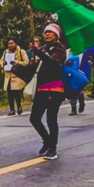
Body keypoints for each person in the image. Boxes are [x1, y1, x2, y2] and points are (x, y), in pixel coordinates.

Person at [29, 24, 67, 160]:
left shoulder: (60, 49)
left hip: (55, 88)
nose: (47, 34)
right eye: (45, 32)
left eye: (50, 32)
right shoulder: (43, 49)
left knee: (51, 118)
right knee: (34, 118)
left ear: (56, 35)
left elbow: (53, 63)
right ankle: (47, 140)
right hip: (41, 88)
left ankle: (53, 149)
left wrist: (39, 52)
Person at [2, 38, 29, 116]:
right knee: (9, 93)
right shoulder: (5, 52)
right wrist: (4, 63)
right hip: (8, 76)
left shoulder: (21, 52)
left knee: (17, 92)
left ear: (16, 43)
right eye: (9, 43)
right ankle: (12, 109)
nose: (10, 45)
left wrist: (16, 62)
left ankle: (19, 106)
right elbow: (1, 61)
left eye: (11, 43)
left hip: (17, 75)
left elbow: (26, 62)